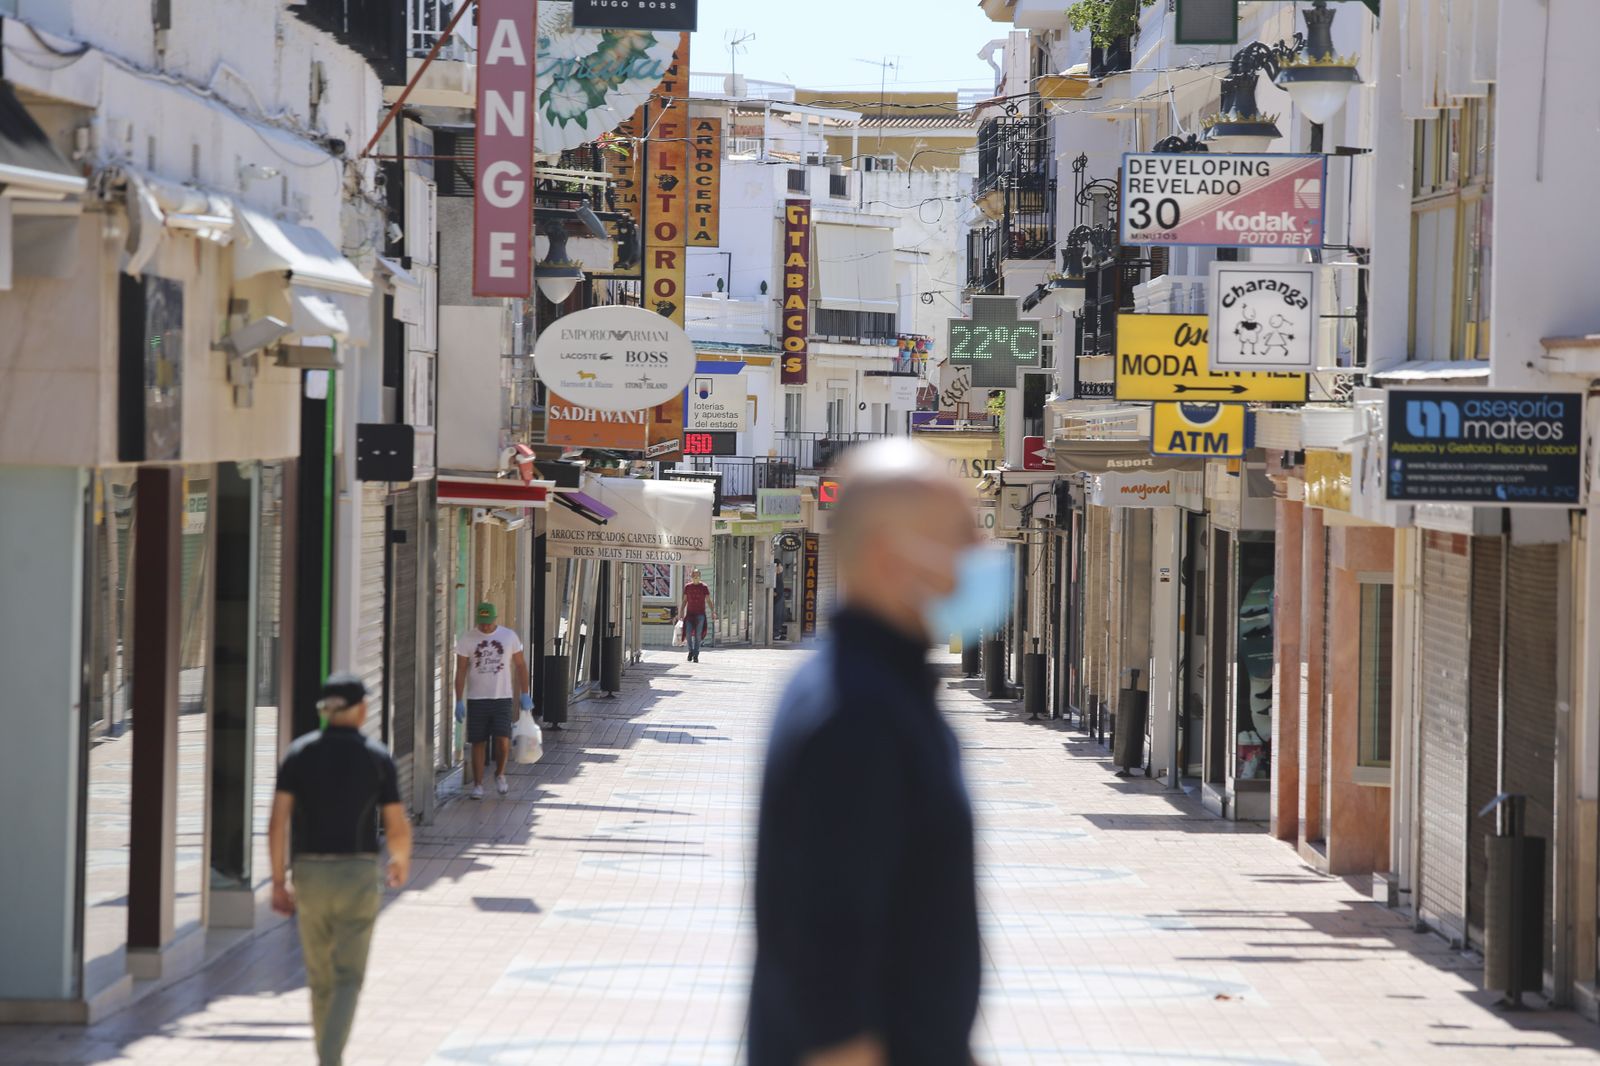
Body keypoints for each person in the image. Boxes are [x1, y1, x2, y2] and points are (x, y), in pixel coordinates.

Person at [749, 439, 1009, 1066]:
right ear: (893, 556)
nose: (984, 555)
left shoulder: (878, 688)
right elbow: (828, 949)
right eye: (963, 537)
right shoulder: (855, 711)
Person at [269, 673, 412, 1066]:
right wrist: (400, 861)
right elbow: (396, 824)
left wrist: (279, 881)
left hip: (309, 874)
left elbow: (277, 821)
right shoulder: (377, 756)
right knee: (348, 976)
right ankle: (330, 1061)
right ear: (360, 709)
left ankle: (325, 1056)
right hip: (357, 873)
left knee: (320, 978)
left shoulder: (299, 753)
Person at [454, 602, 534, 799]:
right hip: (477, 698)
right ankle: (478, 785)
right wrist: (458, 700)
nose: (485, 627)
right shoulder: (467, 639)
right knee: (478, 742)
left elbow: (521, 666)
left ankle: (500, 774)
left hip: (502, 698)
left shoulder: (509, 637)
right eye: (482, 623)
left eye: (489, 623)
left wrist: (525, 693)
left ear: (495, 620)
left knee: (502, 740)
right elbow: (461, 670)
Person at [681, 568, 716, 662]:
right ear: (691, 577)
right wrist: (681, 612)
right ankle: (690, 651)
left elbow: (708, 600)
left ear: (700, 577)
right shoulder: (687, 587)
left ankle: (696, 654)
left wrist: (713, 611)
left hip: (700, 614)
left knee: (698, 635)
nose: (695, 577)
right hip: (689, 614)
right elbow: (684, 600)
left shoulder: (704, 587)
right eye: (693, 576)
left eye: (697, 576)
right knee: (688, 633)